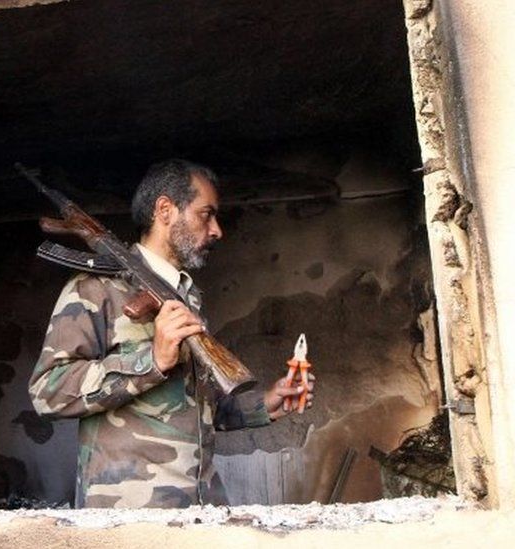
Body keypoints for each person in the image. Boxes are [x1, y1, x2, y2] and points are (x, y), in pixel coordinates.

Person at [29, 159, 314, 508]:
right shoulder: (94, 290)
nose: (217, 230)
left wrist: (264, 404)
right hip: (129, 515)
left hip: (201, 504)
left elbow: (197, 408)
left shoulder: (186, 295)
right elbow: (46, 392)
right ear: (165, 210)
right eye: (205, 214)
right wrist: (151, 361)